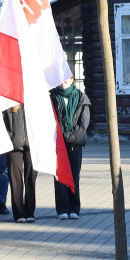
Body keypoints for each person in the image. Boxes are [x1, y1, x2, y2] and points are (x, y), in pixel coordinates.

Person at [50, 77, 90, 219]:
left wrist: (67, 137)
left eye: (66, 80)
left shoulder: (81, 98)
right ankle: (62, 209)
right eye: (60, 81)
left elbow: (83, 124)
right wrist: (61, 138)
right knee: (59, 176)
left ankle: (74, 208)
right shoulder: (52, 97)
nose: (63, 83)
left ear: (72, 80)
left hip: (75, 144)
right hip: (58, 144)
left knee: (74, 176)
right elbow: (51, 120)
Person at [3, 105, 36, 223]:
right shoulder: (9, 102)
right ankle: (19, 213)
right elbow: (3, 121)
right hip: (13, 146)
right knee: (15, 179)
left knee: (30, 177)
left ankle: (30, 211)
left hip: (33, 145)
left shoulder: (34, 101)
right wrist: (10, 138)